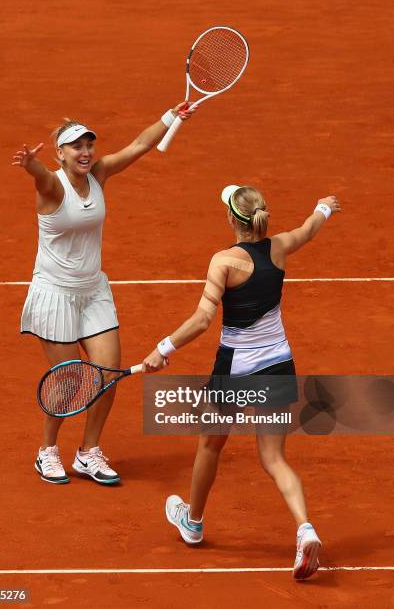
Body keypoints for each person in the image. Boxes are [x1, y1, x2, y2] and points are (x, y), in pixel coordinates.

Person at [143, 185, 341, 580]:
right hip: (279, 365)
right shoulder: (281, 246)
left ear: (232, 219)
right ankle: (305, 529)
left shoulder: (224, 262)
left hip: (234, 369)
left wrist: (162, 348)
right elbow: (309, 228)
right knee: (274, 459)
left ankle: (193, 522)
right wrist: (324, 207)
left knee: (210, 444)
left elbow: (202, 320)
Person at [13, 103, 195, 486]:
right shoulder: (51, 185)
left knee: (107, 376)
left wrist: (170, 115)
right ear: (60, 153)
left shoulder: (99, 173)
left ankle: (87, 453)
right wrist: (30, 164)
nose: (85, 152)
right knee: (67, 382)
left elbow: (139, 145)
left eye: (88, 145)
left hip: (93, 291)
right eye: (75, 147)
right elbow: (40, 177)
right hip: (55, 295)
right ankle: (47, 450)